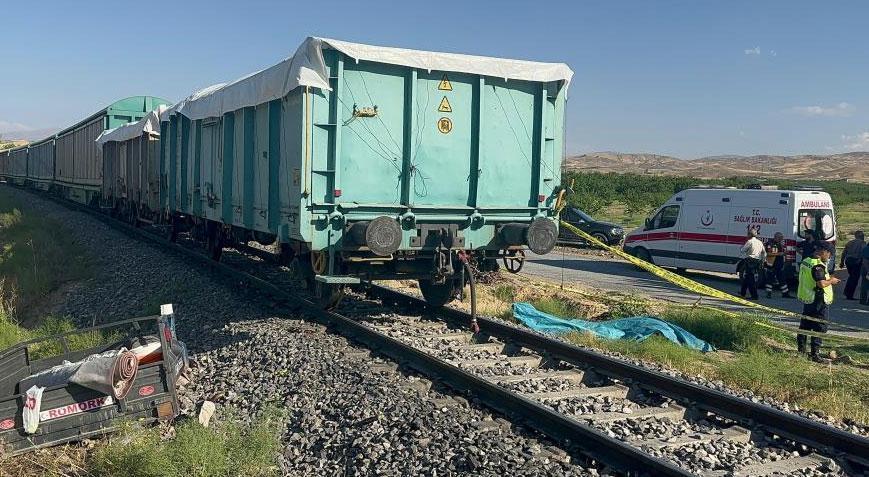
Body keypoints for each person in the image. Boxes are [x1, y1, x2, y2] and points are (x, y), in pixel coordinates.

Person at [797, 241, 840, 361]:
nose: (830, 257)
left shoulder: (806, 261)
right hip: (818, 299)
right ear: (823, 252)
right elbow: (820, 283)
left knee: (805, 326)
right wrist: (832, 281)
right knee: (820, 327)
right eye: (829, 254)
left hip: (808, 298)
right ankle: (815, 354)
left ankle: (801, 351)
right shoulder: (818, 265)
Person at [739, 228, 766, 300]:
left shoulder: (749, 242)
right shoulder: (760, 242)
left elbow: (742, 250)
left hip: (750, 260)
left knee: (750, 279)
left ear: (750, 234)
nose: (747, 235)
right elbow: (764, 253)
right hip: (757, 261)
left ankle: (754, 295)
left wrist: (742, 247)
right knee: (747, 277)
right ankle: (742, 293)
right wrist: (763, 261)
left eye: (748, 234)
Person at [764, 232, 792, 298]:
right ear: (776, 237)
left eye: (782, 238)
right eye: (780, 238)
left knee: (782, 280)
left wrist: (784, 255)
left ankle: (785, 293)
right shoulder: (770, 244)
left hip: (779, 265)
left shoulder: (780, 244)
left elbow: (782, 253)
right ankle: (768, 293)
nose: (781, 239)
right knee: (770, 280)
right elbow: (768, 253)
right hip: (771, 265)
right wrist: (779, 254)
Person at [840, 230, 865, 300]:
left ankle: (847, 292)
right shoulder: (863, 243)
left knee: (851, 277)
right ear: (860, 236)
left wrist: (842, 262)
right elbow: (863, 253)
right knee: (854, 278)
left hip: (848, 261)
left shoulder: (849, 242)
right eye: (862, 235)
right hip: (856, 261)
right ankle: (849, 295)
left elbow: (844, 253)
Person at [861, 241, 869, 306]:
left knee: (864, 285)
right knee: (865, 285)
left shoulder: (866, 248)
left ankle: (863, 300)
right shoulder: (867, 249)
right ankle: (863, 300)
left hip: (865, 269)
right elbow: (865, 261)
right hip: (866, 270)